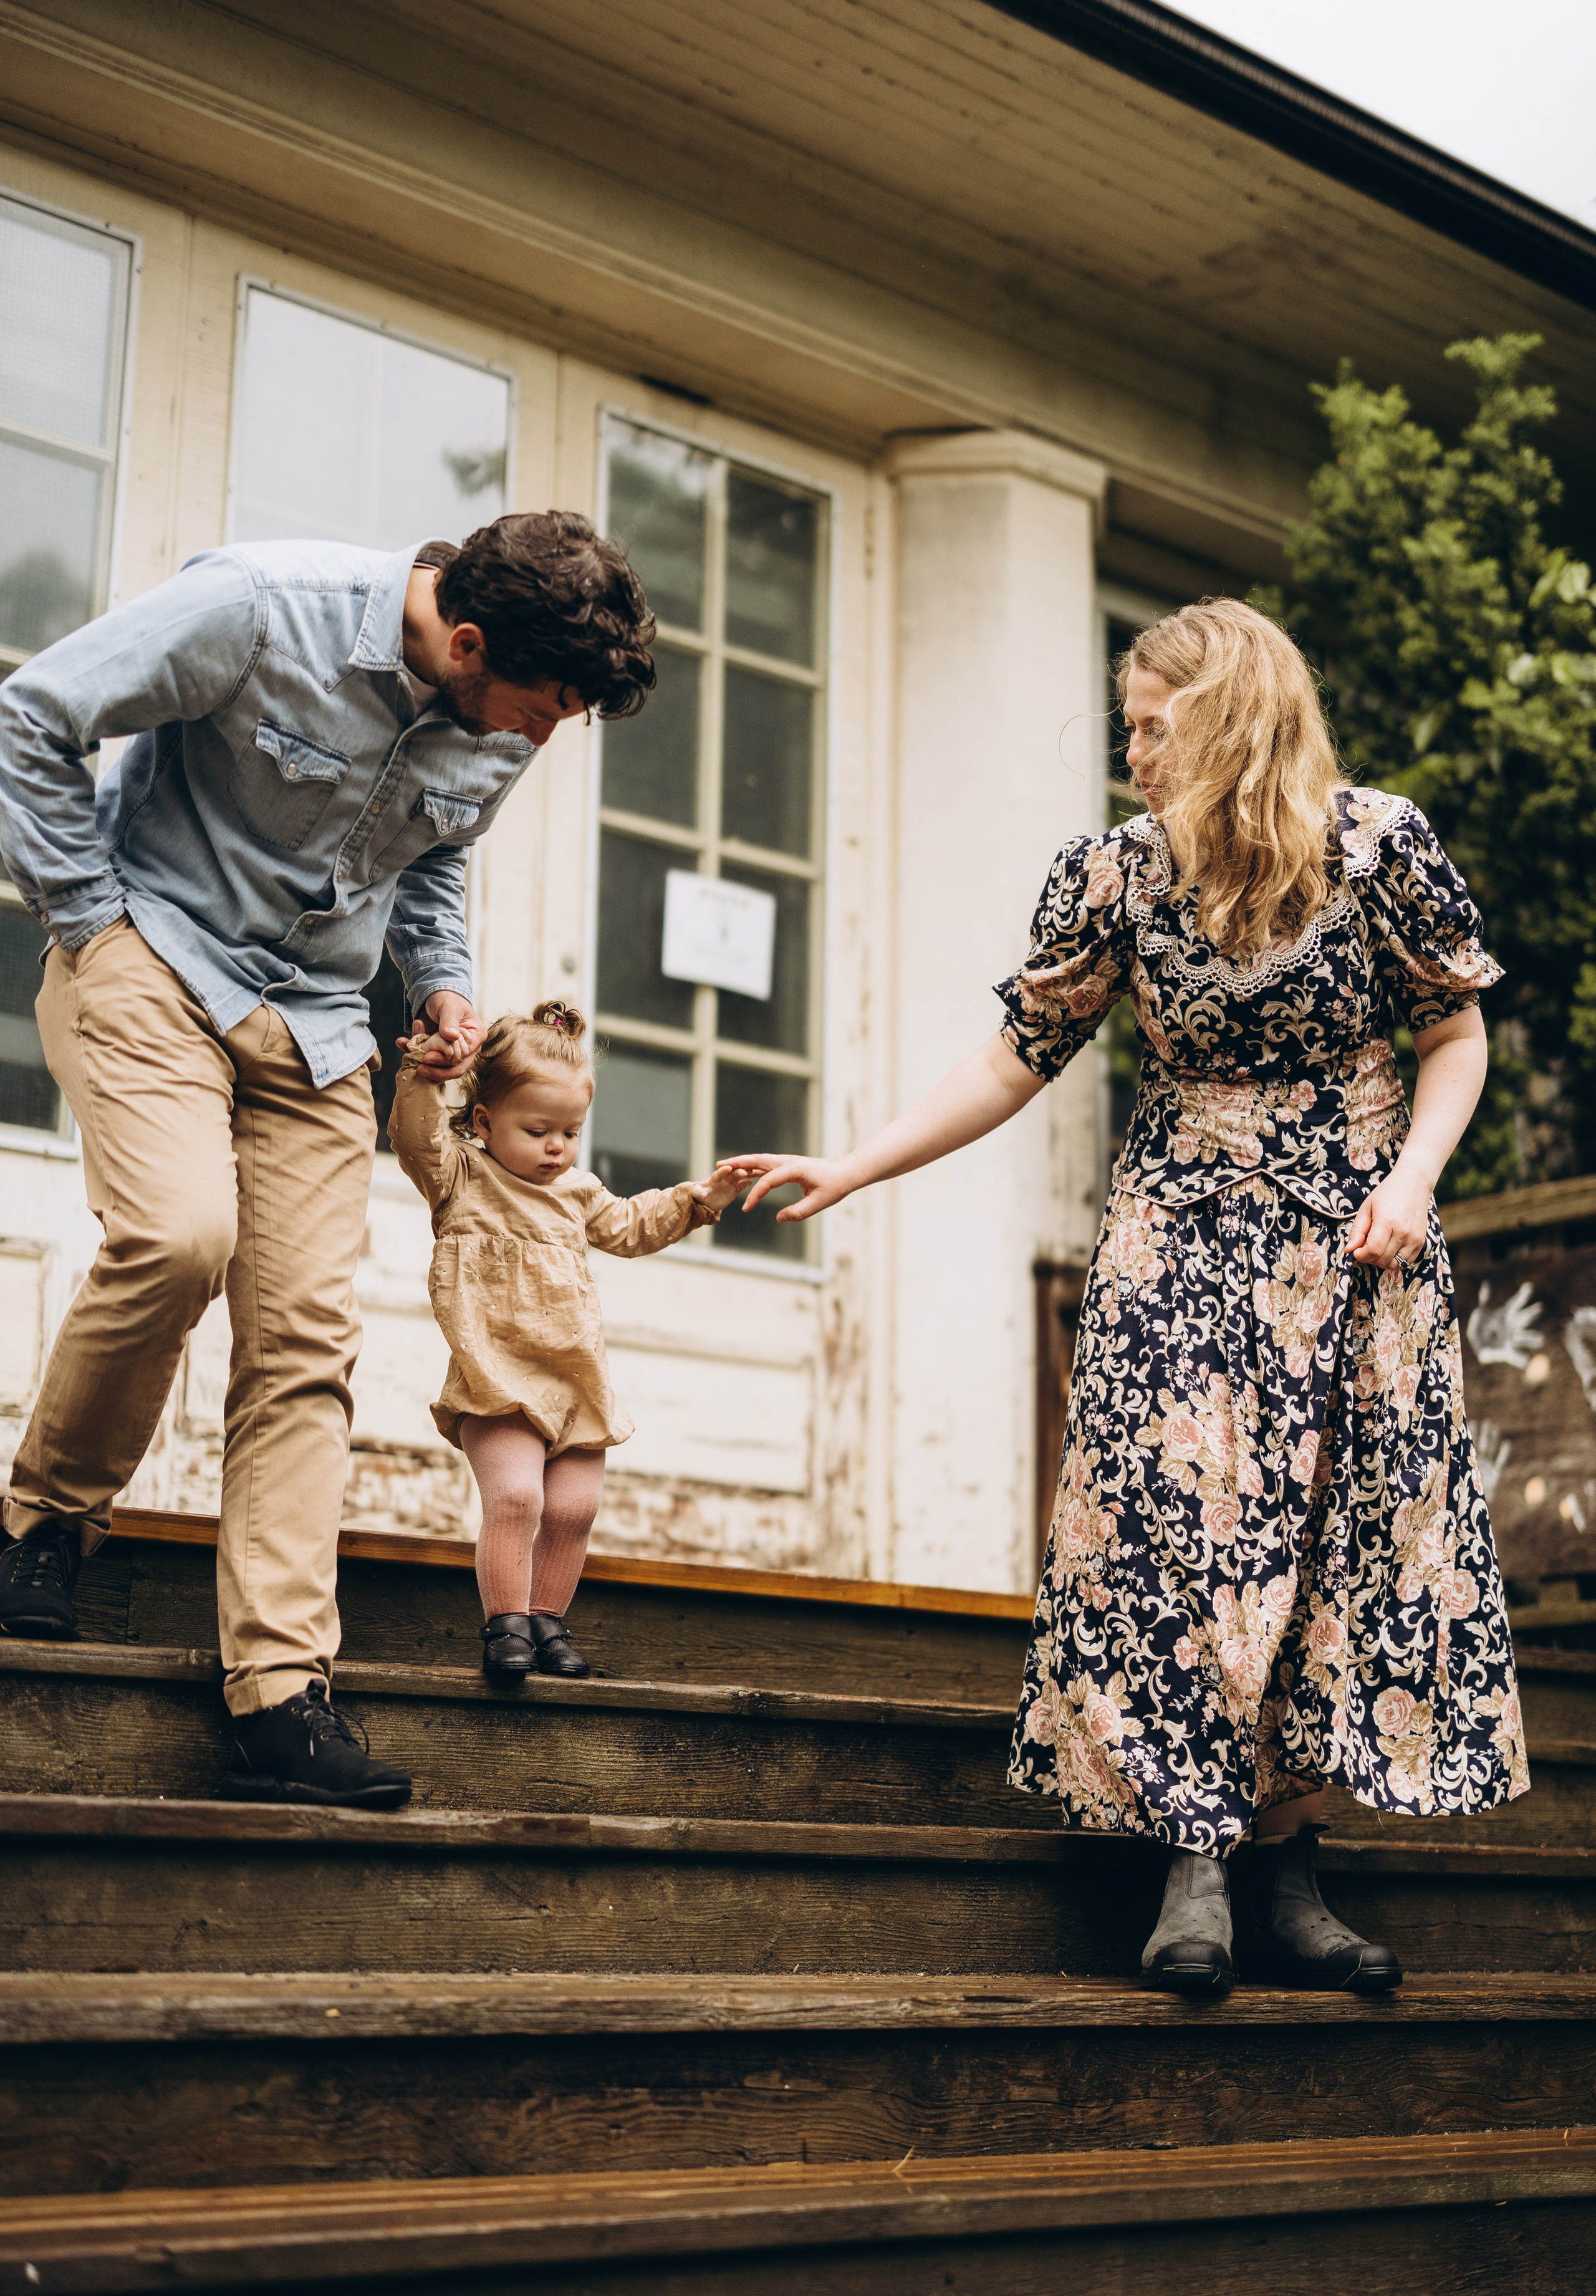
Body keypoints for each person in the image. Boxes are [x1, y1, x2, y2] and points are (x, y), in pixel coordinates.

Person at [726, 597, 1527, 1994]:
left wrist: (1408, 1182)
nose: (1131, 753)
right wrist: (853, 1164)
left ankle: (1288, 1869)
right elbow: (1014, 1054)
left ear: (1225, 721)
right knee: (1174, 1517)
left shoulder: (1376, 847)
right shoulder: (1112, 876)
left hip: (1355, 1233)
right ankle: (1190, 1864)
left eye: (1152, 728)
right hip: (1179, 1225)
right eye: (1126, 728)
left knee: (1331, 1536)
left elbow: (1451, 1032)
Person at [0, 516, 655, 1808]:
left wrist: (448, 987)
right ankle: (44, 1522)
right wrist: (86, 915)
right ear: (464, 642)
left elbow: (433, 867)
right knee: (183, 1235)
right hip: (154, 960)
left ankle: (280, 1693)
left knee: (306, 1336)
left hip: (317, 1023)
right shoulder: (256, 608)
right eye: (535, 710)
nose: (539, 739)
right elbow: (33, 714)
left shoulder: (500, 713)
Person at [388, 1002, 751, 1679]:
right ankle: (507, 1628)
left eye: (571, 1132)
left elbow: (632, 1226)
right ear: (486, 1121)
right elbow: (414, 1138)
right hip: (495, 1376)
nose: (557, 1147)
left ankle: (549, 1625)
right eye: (537, 1130)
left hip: (575, 1378)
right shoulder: (460, 1177)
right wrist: (420, 1074)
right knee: (518, 1499)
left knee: (576, 1507)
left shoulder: (576, 1191)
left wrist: (701, 1198)